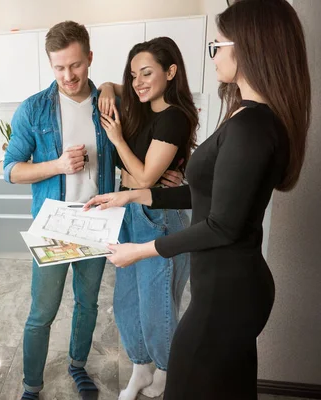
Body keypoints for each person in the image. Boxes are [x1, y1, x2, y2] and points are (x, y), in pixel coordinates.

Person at [84, 1, 310, 399]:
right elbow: (207, 192)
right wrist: (135, 194)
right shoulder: (244, 114)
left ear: (250, 48)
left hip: (228, 294)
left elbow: (222, 224)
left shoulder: (253, 126)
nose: (214, 53)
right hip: (225, 288)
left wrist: (141, 250)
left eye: (219, 44)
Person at [3, 20, 117, 400]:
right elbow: (12, 171)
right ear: (51, 65)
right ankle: (31, 385)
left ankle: (78, 366)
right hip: (53, 224)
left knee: (87, 305)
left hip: (96, 222)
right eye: (59, 67)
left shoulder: (109, 104)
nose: (68, 75)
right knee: (42, 313)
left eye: (75, 65)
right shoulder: (33, 109)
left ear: (89, 57)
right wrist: (56, 165)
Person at [96, 37, 198, 400]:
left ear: (171, 73)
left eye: (147, 73)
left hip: (158, 215)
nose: (138, 81)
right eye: (133, 73)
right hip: (128, 211)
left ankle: (169, 373)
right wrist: (109, 85)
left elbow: (146, 180)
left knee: (156, 305)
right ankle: (141, 368)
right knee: (126, 301)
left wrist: (117, 139)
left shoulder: (174, 118)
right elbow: (118, 86)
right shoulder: (143, 103)